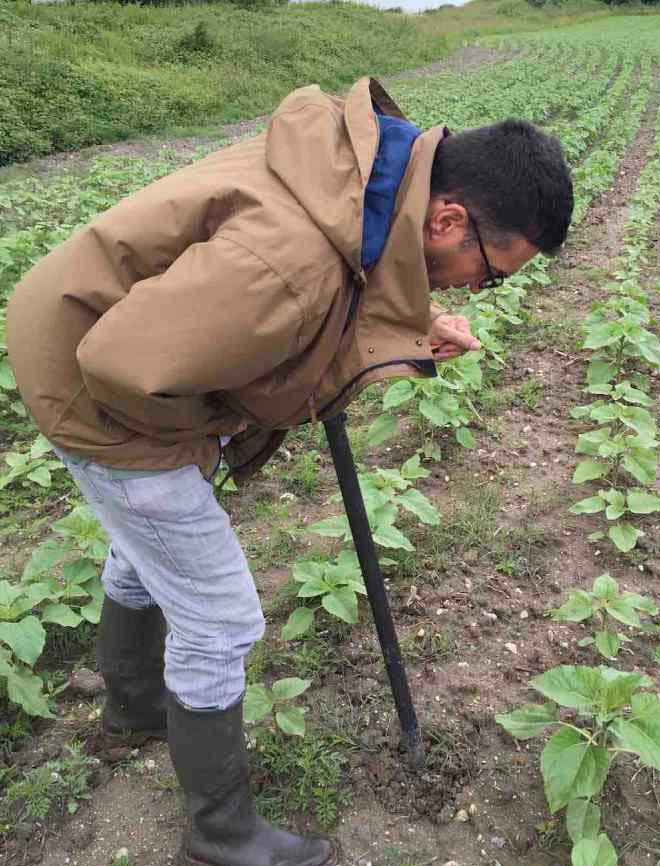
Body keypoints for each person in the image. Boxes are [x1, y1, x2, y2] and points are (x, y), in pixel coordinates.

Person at [6, 76, 573, 866]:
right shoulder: (289, 266)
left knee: (150, 548)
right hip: (95, 383)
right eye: (492, 271)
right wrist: (202, 434)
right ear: (448, 216)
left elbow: (338, 275)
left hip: (87, 318)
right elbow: (128, 362)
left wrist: (411, 320)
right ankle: (220, 833)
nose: (480, 287)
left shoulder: (368, 171)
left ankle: (135, 707)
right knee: (220, 615)